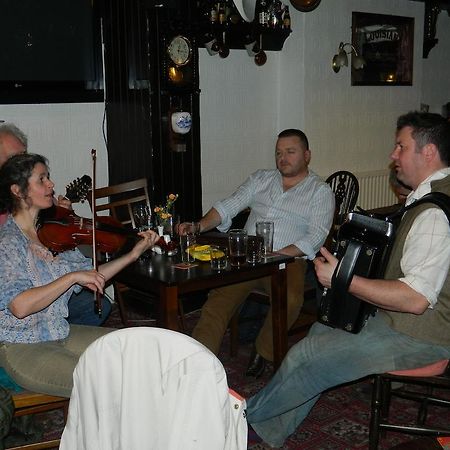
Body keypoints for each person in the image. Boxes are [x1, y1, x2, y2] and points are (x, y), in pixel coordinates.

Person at [245, 111, 450, 447]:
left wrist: (342, 277)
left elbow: (415, 300)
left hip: (422, 338)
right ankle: (269, 428)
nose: (393, 155)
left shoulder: (434, 214)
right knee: (320, 331)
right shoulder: (434, 196)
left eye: (401, 146)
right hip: (402, 322)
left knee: (311, 357)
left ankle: (244, 417)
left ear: (428, 152)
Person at [0, 153, 159, 397]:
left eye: (48, 177)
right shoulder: (8, 242)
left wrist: (131, 255)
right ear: (18, 191)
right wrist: (71, 277)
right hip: (23, 348)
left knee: (137, 350)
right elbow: (20, 306)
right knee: (109, 384)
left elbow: (91, 275)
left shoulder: (53, 233)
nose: (51, 184)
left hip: (60, 332)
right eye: (42, 179)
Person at [179, 129, 335, 377]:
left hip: (288, 261)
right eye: (278, 153)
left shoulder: (320, 191)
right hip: (248, 257)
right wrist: (197, 225)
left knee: (291, 300)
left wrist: (280, 255)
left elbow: (316, 235)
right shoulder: (261, 178)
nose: (282, 158)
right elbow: (229, 205)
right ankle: (199, 360)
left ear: (307, 155)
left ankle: (263, 352)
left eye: (290, 152)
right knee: (218, 299)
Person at [0, 123, 111, 325]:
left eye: (24, 155)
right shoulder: (8, 231)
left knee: (98, 306)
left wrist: (58, 215)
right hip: (13, 289)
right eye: (14, 158)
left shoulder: (30, 199)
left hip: (42, 279)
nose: (22, 163)